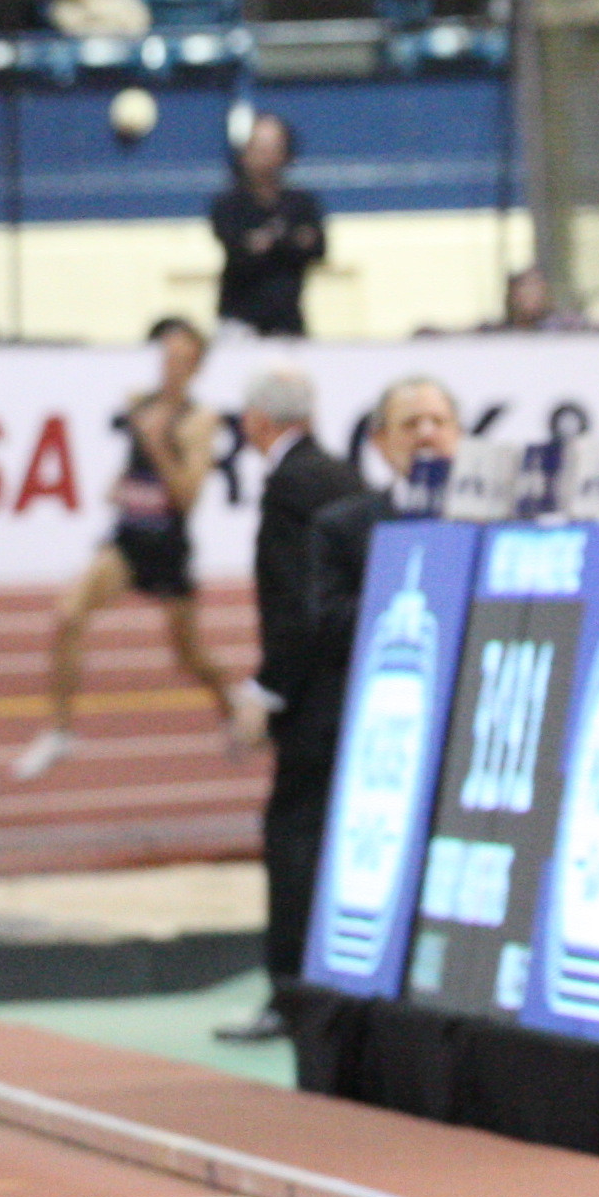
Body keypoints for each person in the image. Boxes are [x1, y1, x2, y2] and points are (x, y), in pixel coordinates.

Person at [11, 317, 237, 780]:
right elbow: (134, 466)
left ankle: (234, 710)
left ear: (196, 367)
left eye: (181, 359)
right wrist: (120, 485)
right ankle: (60, 731)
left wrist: (156, 443)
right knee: (68, 614)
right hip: (127, 540)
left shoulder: (199, 421)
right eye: (166, 356)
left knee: (189, 656)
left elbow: (188, 497)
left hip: (168, 547)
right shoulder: (140, 403)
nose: (169, 365)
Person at [223, 366, 364, 1041]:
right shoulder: (341, 474)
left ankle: (291, 995)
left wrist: (267, 688)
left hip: (314, 698)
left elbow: (294, 601)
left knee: (295, 840)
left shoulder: (289, 486)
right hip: (350, 686)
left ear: (256, 420)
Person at [307, 376, 463, 682]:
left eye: (438, 422)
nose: (426, 434)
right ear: (380, 441)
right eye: (410, 424)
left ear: (458, 434)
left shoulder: (496, 520)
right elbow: (328, 626)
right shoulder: (341, 526)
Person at [210, 112, 327, 338]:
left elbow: (318, 248)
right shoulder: (230, 205)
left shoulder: (301, 203)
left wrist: (268, 242)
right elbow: (239, 250)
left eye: (273, 148)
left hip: (287, 321)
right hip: (240, 322)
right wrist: (289, 241)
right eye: (258, 148)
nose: (265, 156)